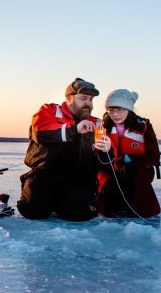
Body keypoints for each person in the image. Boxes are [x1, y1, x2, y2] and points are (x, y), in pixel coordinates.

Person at [17, 78, 111, 221]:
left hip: (77, 178)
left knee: (81, 215)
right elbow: (41, 134)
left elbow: (101, 163)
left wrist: (106, 152)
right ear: (69, 98)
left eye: (91, 100)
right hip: (45, 175)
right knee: (33, 212)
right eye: (83, 98)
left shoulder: (97, 124)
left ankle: (65, 202)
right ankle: (38, 194)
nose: (88, 104)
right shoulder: (49, 111)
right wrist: (74, 130)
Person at [95, 89, 161, 218]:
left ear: (129, 109)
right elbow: (96, 155)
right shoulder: (101, 128)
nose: (115, 114)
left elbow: (154, 156)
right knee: (108, 183)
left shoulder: (144, 126)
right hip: (110, 169)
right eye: (111, 109)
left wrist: (127, 159)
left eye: (120, 110)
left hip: (137, 170)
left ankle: (142, 211)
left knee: (129, 171)